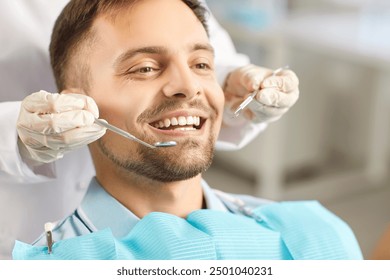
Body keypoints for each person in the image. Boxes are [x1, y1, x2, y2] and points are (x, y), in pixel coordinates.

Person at [13, 0, 361, 260]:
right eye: (146, 68)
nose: (189, 86)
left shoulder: (319, 237)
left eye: (201, 64)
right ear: (75, 107)